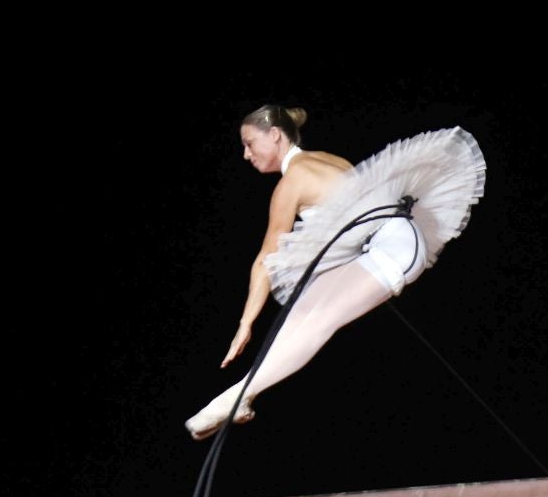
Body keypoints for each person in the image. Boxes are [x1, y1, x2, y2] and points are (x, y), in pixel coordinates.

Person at [185, 107, 486, 439]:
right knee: (298, 315)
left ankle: (234, 397)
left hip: (393, 245)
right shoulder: (325, 160)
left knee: (319, 319)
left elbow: (265, 260)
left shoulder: (293, 182)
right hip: (388, 243)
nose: (246, 154)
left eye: (249, 143)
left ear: (274, 135)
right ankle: (243, 395)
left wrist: (245, 324)